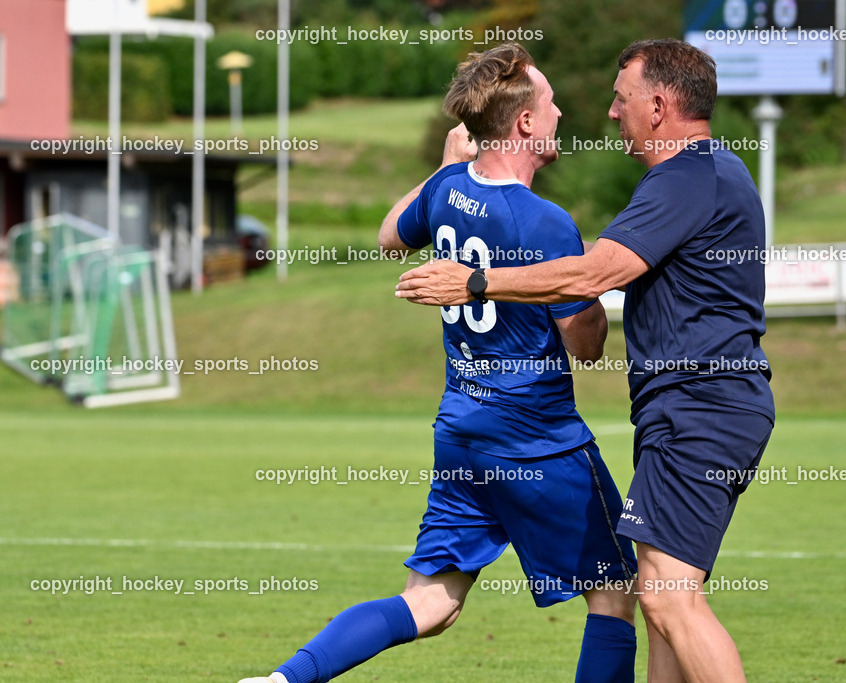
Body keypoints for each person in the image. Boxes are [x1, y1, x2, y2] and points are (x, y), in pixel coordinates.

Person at [239, 43, 637, 683]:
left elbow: (390, 234)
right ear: (526, 124)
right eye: (551, 100)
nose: (562, 111)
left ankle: (285, 680)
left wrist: (446, 167)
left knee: (430, 602)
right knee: (615, 592)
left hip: (463, 431)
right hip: (536, 439)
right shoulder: (546, 221)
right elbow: (586, 347)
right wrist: (591, 283)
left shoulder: (450, 188)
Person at [396, 38, 774, 682]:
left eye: (621, 99)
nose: (607, 112)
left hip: (701, 407)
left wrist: (476, 282)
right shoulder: (694, 176)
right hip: (685, 409)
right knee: (658, 598)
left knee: (667, 596)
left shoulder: (690, 176)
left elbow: (597, 271)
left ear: (658, 106)